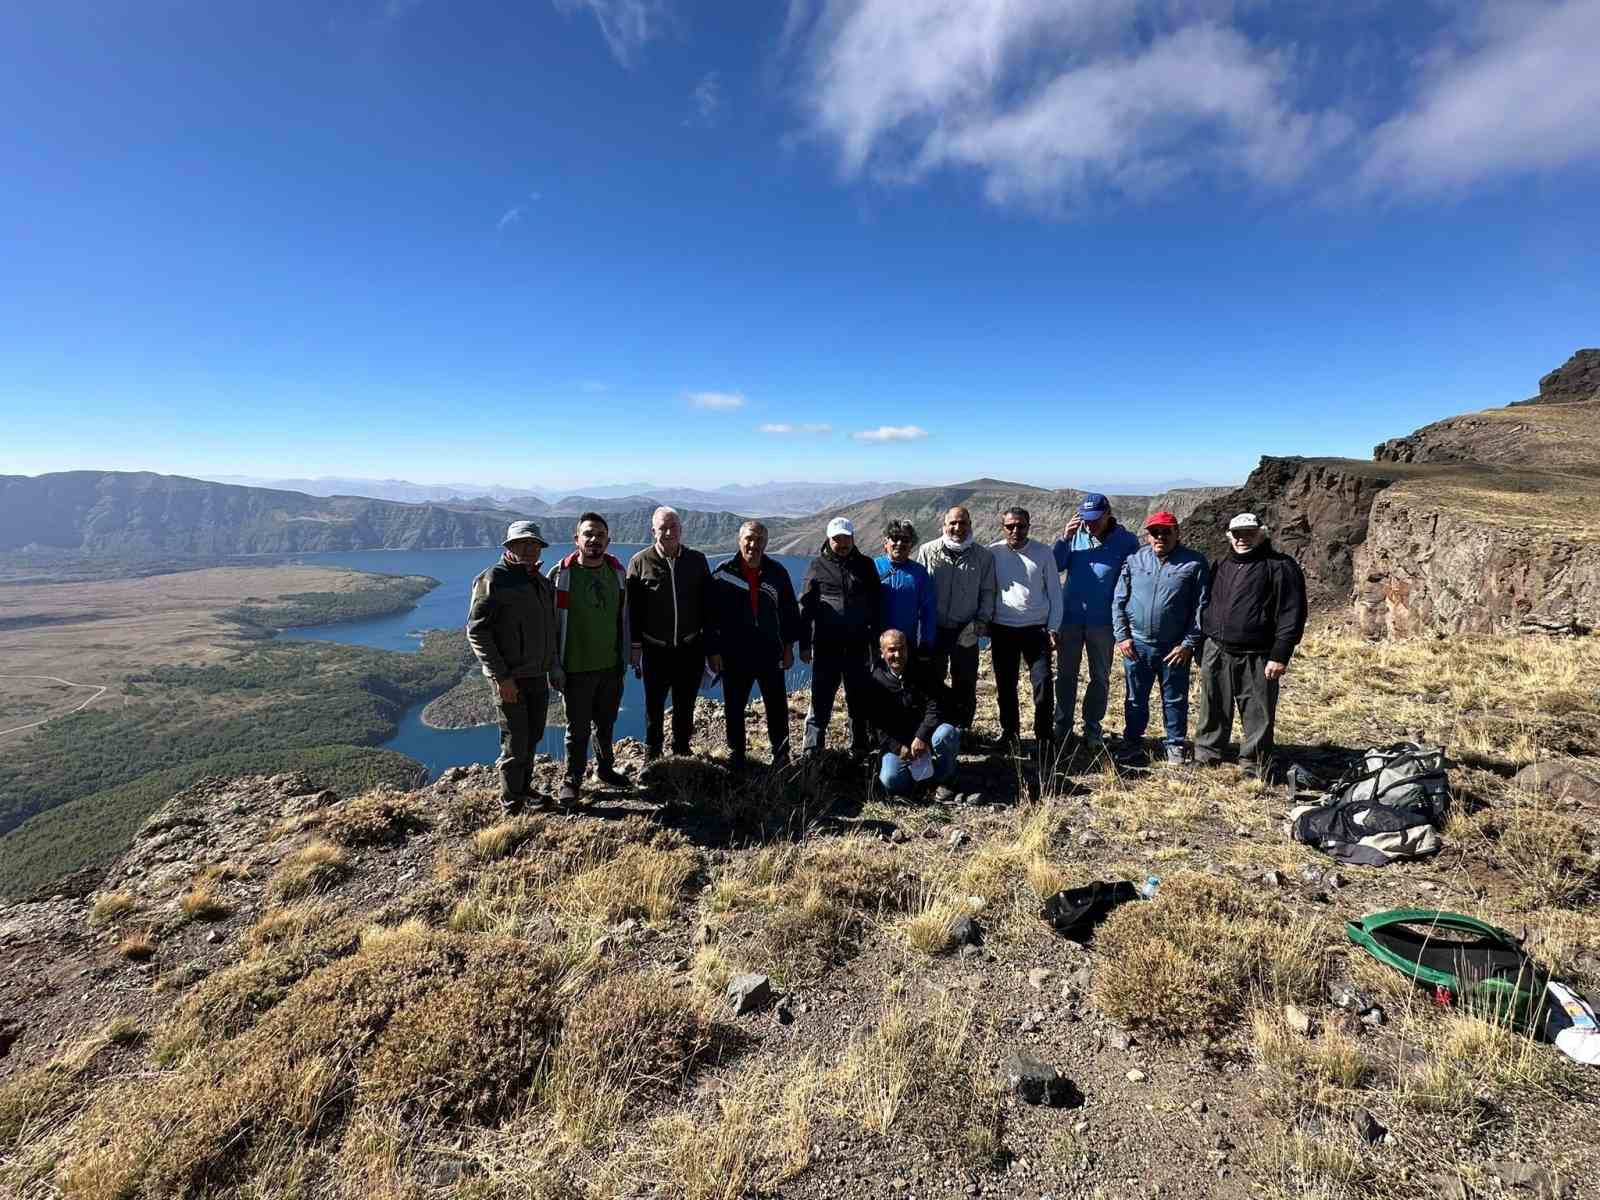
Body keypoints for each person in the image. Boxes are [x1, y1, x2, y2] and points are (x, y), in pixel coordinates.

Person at [1194, 513, 1308, 778]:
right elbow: (1207, 604)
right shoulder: (1221, 563)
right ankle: (1208, 753)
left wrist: (1280, 655)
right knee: (1212, 705)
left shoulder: (1280, 567)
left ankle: (1254, 763)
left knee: (1258, 711)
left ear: (1262, 533)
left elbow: (1292, 613)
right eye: (1236, 533)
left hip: (1258, 653)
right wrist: (1203, 644)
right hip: (1217, 648)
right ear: (1229, 536)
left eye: (1248, 533)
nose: (1241, 539)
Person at [466, 520, 561, 815]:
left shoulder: (541, 582)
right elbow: (476, 630)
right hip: (511, 679)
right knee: (514, 741)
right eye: (522, 544)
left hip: (537, 675)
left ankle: (523, 789)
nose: (529, 549)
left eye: (534, 544)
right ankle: (511, 805)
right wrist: (501, 677)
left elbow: (550, 630)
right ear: (509, 547)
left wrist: (553, 667)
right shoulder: (493, 579)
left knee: (532, 736)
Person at [1111, 511, 1209, 764]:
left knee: (1175, 697)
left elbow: (1201, 608)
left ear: (1177, 533)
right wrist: (1123, 636)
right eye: (1155, 532)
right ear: (1148, 535)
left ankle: (1175, 744)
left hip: (1173, 647)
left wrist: (1188, 644)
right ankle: (1132, 741)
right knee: (1135, 697)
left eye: (1166, 531)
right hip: (1137, 644)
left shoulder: (1194, 563)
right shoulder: (1134, 560)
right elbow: (1119, 600)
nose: (1160, 536)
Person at [705, 519, 802, 771]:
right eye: (749, 538)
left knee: (777, 706)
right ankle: (737, 756)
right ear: (740, 541)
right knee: (735, 707)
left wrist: (789, 646)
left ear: (766, 543)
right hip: (734, 655)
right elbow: (709, 616)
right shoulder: (723, 572)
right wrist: (713, 650)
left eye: (759, 539)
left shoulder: (777, 572)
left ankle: (781, 755)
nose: (753, 544)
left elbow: (790, 610)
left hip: (770, 652)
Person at [549, 512, 631, 803]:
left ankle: (605, 770)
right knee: (577, 729)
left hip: (611, 666)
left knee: (605, 725)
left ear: (609, 540)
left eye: (600, 535)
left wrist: (627, 655)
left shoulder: (617, 574)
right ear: (577, 539)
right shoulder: (561, 576)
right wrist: (554, 664)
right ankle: (572, 779)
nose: (594, 539)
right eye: (588, 534)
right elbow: (550, 625)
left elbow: (625, 617)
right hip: (575, 668)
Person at [1052, 492, 1140, 751]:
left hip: (1103, 621)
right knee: (1066, 675)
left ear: (1108, 514)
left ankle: (1092, 728)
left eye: (1095, 519)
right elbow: (1056, 565)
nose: (1089, 524)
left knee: (1099, 677)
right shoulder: (1075, 535)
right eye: (1086, 519)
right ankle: (1063, 726)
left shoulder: (1126, 541)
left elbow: (1133, 579)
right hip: (1070, 618)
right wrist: (1064, 538)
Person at [626, 506, 712, 762]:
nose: (669, 532)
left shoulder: (697, 560)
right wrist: (635, 646)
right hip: (655, 649)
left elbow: (708, 606)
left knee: (685, 705)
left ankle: (681, 751)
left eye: (673, 526)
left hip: (690, 647)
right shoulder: (640, 562)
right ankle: (652, 756)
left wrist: (711, 646)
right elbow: (633, 610)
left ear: (681, 530)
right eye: (663, 527)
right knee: (654, 706)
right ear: (653, 531)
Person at [798, 517, 882, 759]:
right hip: (826, 647)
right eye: (837, 539)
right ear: (828, 539)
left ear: (853, 538)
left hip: (858, 647)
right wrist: (804, 645)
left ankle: (859, 748)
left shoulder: (866, 565)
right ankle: (812, 751)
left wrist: (877, 645)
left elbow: (876, 606)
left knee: (858, 700)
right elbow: (806, 609)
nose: (843, 543)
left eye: (847, 538)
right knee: (821, 700)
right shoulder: (817, 567)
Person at [988, 507, 1062, 760]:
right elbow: (987, 590)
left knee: (1042, 683)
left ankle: (1044, 736)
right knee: (1005, 685)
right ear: (1003, 527)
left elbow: (1055, 592)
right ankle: (1010, 733)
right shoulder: (993, 553)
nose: (1015, 531)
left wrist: (1053, 628)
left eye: (1021, 526)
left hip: (1035, 629)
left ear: (1029, 526)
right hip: (1002, 627)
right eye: (1010, 526)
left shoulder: (1043, 553)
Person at [914, 506, 996, 729]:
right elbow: (919, 588)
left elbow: (988, 591)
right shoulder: (928, 551)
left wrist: (982, 620)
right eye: (953, 523)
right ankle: (933, 727)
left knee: (965, 682)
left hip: (966, 629)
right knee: (932, 681)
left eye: (963, 523)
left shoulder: (983, 556)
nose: (957, 528)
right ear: (944, 526)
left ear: (970, 525)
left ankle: (962, 729)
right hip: (934, 628)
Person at [864, 629, 961, 801]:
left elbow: (936, 705)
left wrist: (922, 736)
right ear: (882, 653)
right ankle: (921, 783)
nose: (897, 654)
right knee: (890, 780)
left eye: (902, 649)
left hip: (926, 738)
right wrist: (897, 747)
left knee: (947, 734)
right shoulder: (875, 682)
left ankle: (945, 779)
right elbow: (877, 724)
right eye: (892, 650)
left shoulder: (923, 671)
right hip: (900, 745)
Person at [875, 519, 937, 655]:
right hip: (877, 645)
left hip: (908, 645)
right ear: (886, 543)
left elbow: (928, 611)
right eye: (895, 538)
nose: (899, 543)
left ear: (911, 544)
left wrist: (926, 642)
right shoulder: (873, 568)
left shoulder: (920, 573)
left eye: (905, 539)